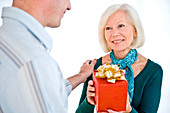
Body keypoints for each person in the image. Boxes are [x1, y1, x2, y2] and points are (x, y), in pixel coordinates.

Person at [0, 0, 97, 113]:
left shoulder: (7, 41)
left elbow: (39, 94)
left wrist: (81, 76)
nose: (69, 6)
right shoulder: (33, 62)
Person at [76, 3, 163, 113]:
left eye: (121, 26)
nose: (114, 33)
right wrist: (88, 102)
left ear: (135, 31)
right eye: (108, 28)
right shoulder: (96, 66)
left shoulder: (153, 71)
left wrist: (128, 110)